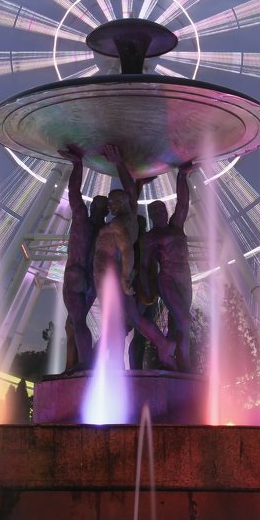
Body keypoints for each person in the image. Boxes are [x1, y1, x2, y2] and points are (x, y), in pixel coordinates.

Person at [96, 143, 174, 368]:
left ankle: (156, 349)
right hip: (129, 281)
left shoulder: (125, 225)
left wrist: (120, 164)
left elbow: (129, 251)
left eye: (113, 201)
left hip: (125, 282)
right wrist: (135, 180)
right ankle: (129, 365)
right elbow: (131, 196)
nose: (110, 205)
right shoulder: (131, 224)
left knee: (125, 326)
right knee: (129, 326)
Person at [140, 162, 195, 369]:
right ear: (151, 216)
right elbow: (145, 266)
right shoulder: (150, 238)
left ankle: (171, 361)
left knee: (178, 321)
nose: (159, 212)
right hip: (167, 278)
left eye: (161, 209)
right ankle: (186, 364)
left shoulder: (176, 226)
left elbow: (183, 203)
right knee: (185, 319)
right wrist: (147, 290)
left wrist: (182, 177)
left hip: (185, 276)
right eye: (154, 211)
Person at [59, 145, 107, 371]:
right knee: (73, 324)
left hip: (75, 274)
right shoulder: (108, 231)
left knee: (76, 323)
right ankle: (77, 363)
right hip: (91, 281)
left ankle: (84, 365)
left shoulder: (81, 221)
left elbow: (74, 192)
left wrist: (77, 164)